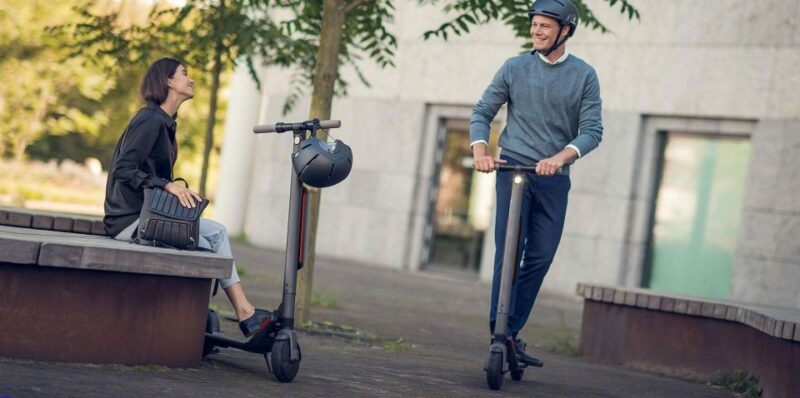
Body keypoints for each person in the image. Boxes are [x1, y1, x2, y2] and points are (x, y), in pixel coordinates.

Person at [103, 57, 277, 338]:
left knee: (215, 235)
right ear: (169, 81)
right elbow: (123, 169)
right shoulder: (149, 120)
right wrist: (168, 186)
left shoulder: (165, 122)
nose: (191, 79)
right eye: (184, 73)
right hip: (130, 221)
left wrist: (167, 186)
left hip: (146, 217)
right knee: (212, 241)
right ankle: (231, 315)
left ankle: (235, 313)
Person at [470, 0, 603, 366]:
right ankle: (499, 332)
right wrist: (482, 152)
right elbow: (483, 111)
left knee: (540, 256)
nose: (536, 31)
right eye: (534, 25)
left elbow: (592, 131)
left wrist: (560, 158)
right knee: (508, 252)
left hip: (553, 177)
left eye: (545, 26)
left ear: (566, 30)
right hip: (512, 169)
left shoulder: (584, 76)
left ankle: (510, 330)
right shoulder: (514, 68)